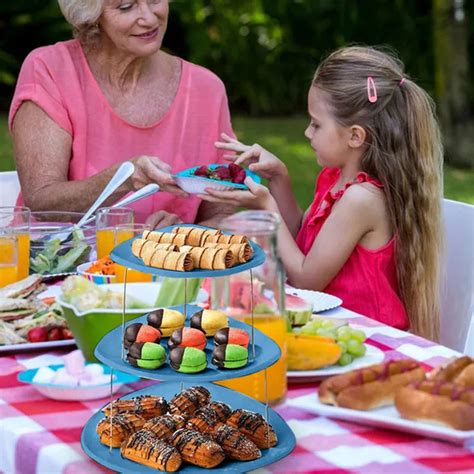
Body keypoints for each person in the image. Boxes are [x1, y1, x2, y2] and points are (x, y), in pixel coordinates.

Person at [201, 46, 443, 341]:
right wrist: (279, 179)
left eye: (316, 124)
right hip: (327, 330)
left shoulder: (361, 199)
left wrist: (267, 206)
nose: (307, 132)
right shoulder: (335, 179)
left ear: (355, 136)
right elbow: (299, 245)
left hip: (369, 339)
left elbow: (306, 278)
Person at [9, 0, 235, 227]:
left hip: (162, 262)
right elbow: (41, 203)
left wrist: (185, 234)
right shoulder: (51, 68)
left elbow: (222, 215)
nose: (149, 18)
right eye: (126, 6)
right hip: (56, 258)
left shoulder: (206, 89)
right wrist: (123, 179)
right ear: (92, 16)